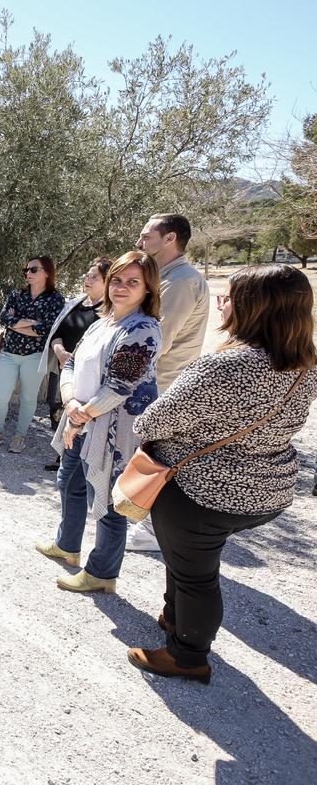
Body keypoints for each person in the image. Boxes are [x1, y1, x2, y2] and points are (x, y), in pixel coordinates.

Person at [126, 264, 317, 684]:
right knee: (186, 560)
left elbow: (151, 424)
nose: (222, 305)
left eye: (228, 298)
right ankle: (174, 619)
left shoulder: (224, 367)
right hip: (268, 490)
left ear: (252, 307)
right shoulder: (306, 364)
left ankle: (188, 655)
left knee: (196, 575)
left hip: (201, 493)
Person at [35, 251, 162, 594]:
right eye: (116, 280)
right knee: (69, 482)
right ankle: (67, 545)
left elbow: (120, 387)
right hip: (81, 419)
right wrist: (71, 401)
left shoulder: (143, 329)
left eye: (132, 282)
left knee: (106, 502)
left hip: (112, 429)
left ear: (148, 288)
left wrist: (81, 412)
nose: (121, 287)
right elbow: (72, 364)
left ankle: (102, 573)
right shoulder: (100, 322)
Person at [127, 213, 210, 552]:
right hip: (154, 381)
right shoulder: (167, 277)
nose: (140, 242)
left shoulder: (181, 281)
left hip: (162, 383)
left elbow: (159, 339)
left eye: (146, 236)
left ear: (170, 238)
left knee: (156, 454)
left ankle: (151, 530)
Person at [0, 256, 65, 453]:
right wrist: (32, 323)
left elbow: (48, 328)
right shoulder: (17, 294)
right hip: (9, 353)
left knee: (28, 398)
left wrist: (18, 322)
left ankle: (20, 436)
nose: (28, 273)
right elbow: (4, 318)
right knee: (0, 396)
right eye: (26, 270)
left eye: (33, 270)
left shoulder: (56, 299)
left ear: (47, 272)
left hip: (35, 355)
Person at [38, 257, 112, 471]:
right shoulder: (77, 303)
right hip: (63, 369)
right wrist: (60, 353)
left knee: (79, 414)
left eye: (94, 277)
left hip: (87, 376)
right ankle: (62, 454)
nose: (88, 280)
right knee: (56, 408)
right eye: (87, 275)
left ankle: (76, 460)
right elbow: (57, 332)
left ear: (108, 281)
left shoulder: (108, 312)